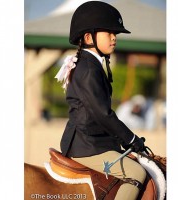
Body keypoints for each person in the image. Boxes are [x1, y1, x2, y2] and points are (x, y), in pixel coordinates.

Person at [55, 1, 146, 200]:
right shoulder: (88, 69)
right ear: (88, 37)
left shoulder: (91, 65)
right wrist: (131, 140)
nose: (114, 38)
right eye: (108, 33)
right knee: (137, 173)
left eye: (116, 34)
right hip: (87, 145)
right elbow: (102, 113)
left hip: (93, 141)